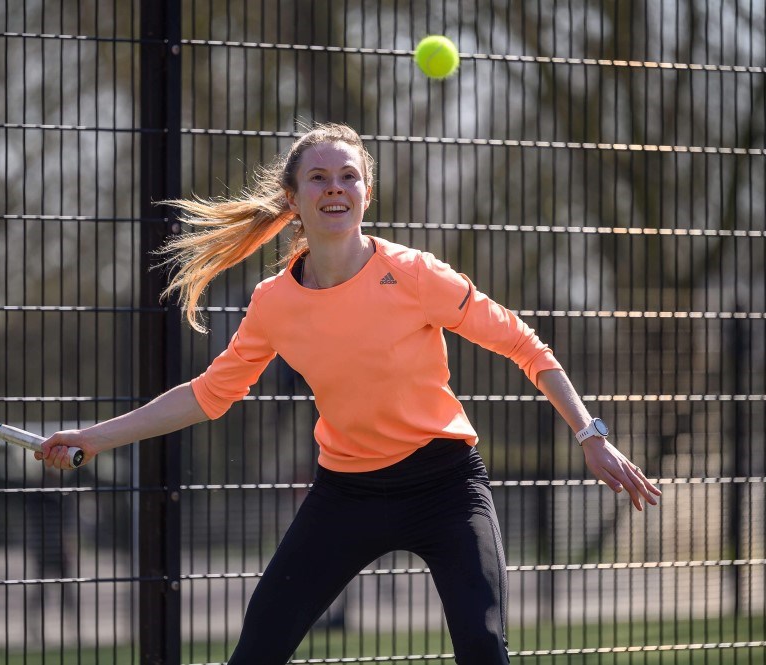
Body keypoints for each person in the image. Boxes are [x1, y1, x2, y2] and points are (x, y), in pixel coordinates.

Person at [37, 123, 661, 664]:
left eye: (348, 176)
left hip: (445, 486)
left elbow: (528, 347)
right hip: (347, 493)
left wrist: (590, 435)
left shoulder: (415, 274)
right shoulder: (273, 302)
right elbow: (209, 395)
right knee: (256, 650)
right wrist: (92, 438)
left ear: (366, 193)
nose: (334, 187)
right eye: (318, 178)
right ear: (295, 198)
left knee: (483, 644)